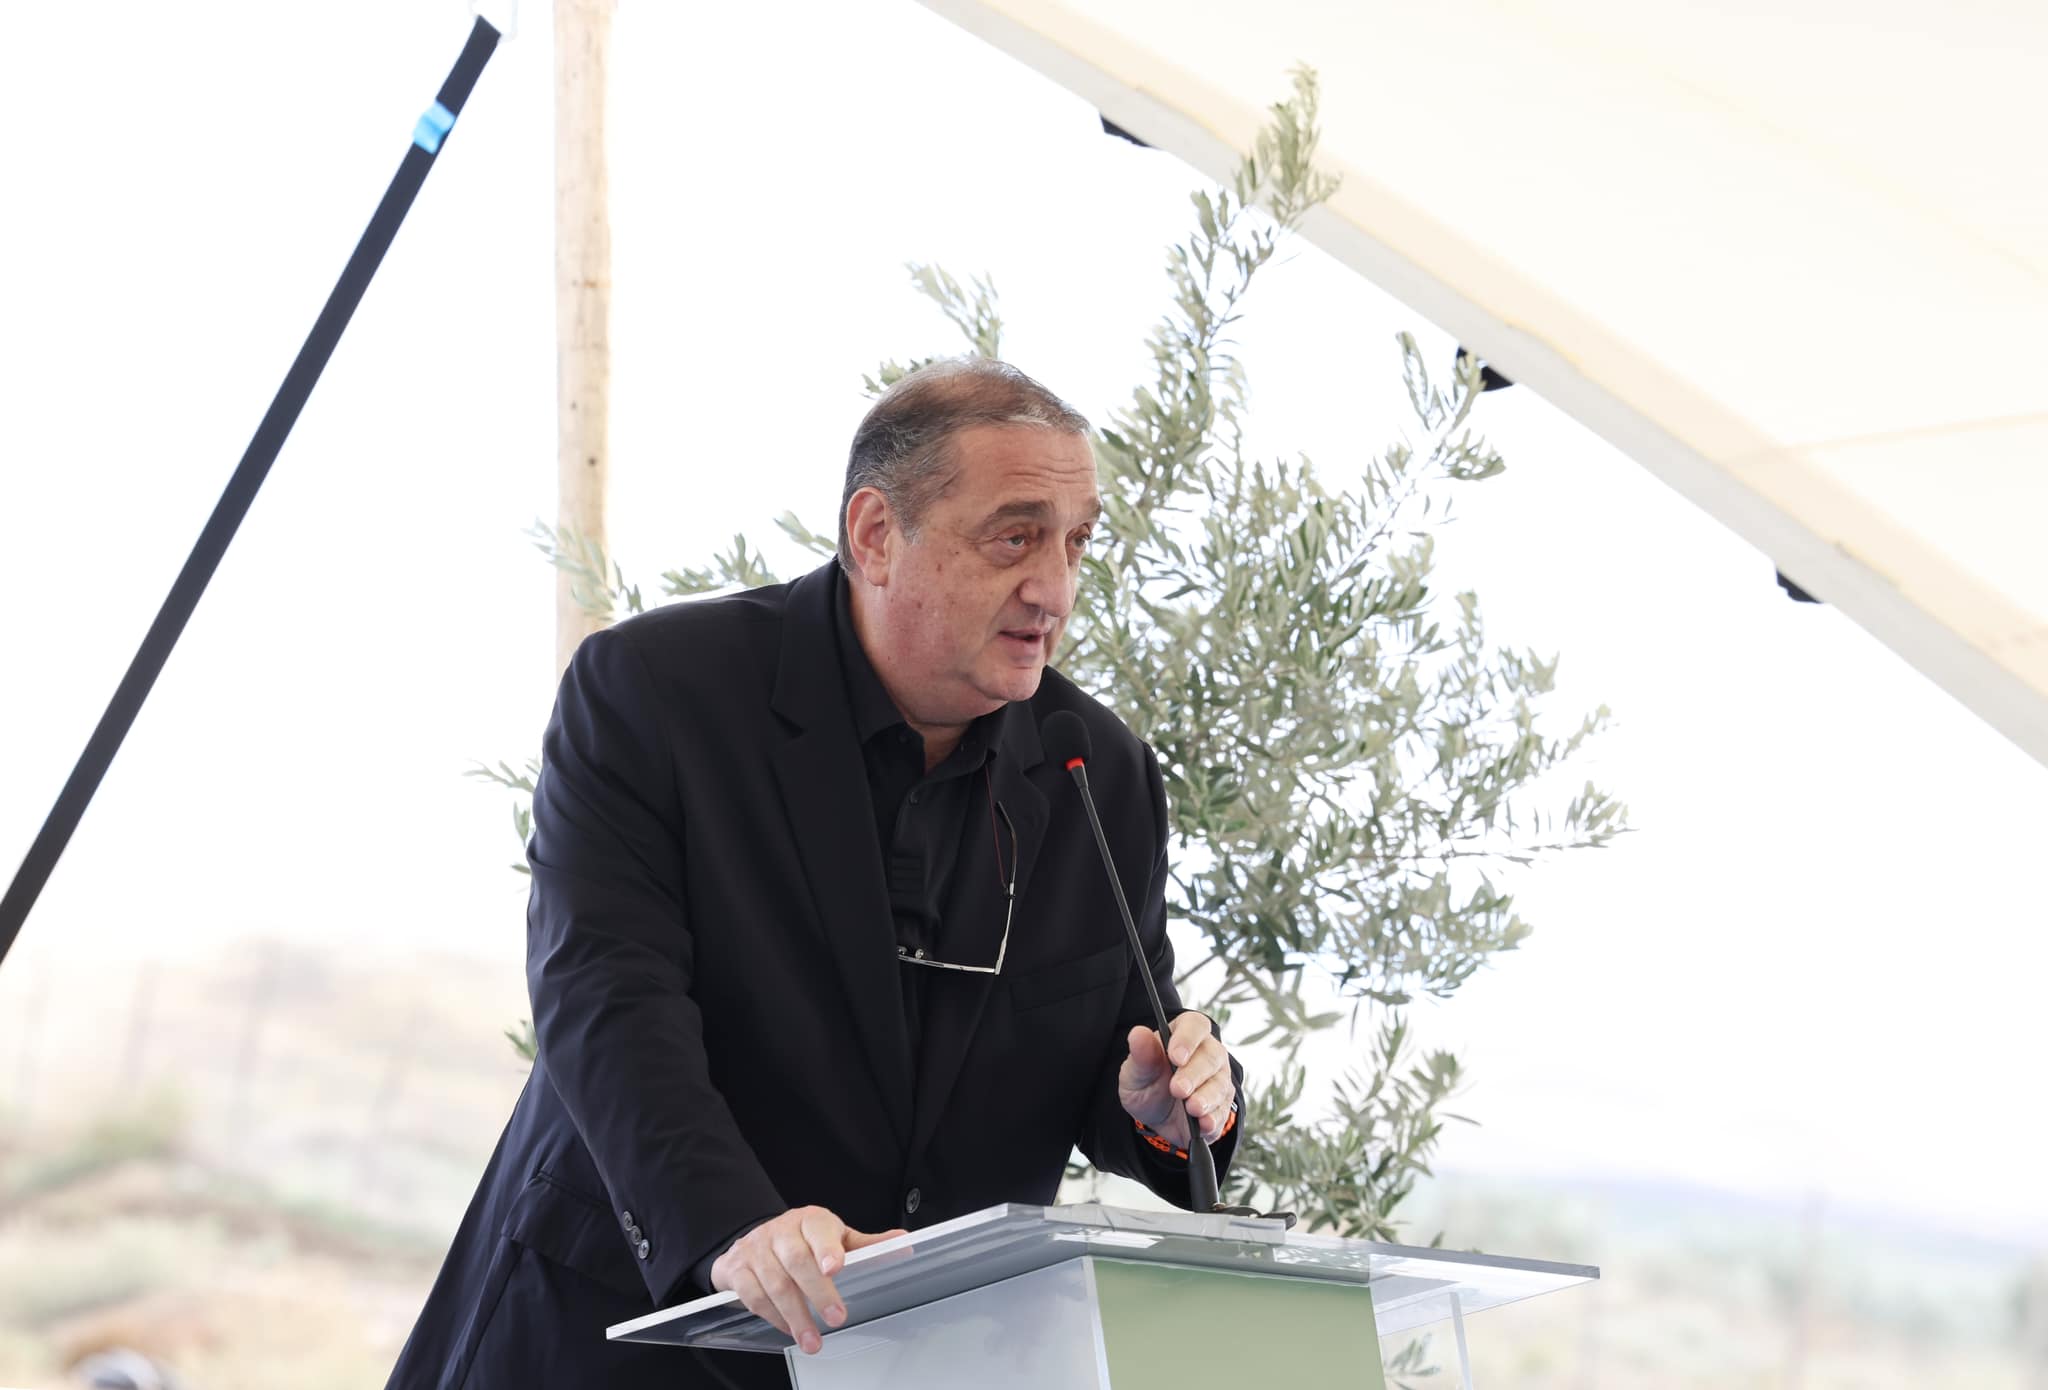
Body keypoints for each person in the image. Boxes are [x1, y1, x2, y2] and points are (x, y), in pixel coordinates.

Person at [384, 358, 1245, 1390]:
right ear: (875, 534)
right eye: (1014, 538)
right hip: (611, 1337)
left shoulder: (1098, 771)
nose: (1053, 589)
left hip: (907, 1366)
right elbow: (607, 999)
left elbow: (1120, 1042)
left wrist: (1169, 1111)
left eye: (1076, 542)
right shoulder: (656, 692)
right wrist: (735, 1229)